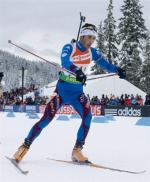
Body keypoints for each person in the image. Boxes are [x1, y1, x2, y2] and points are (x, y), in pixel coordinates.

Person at [13, 23, 126, 163]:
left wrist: (117, 70)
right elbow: (65, 62)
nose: (91, 41)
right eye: (89, 37)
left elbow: (106, 65)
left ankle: (77, 150)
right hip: (61, 92)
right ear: (82, 36)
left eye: (94, 38)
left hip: (77, 93)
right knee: (45, 120)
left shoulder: (93, 52)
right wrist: (77, 71)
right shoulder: (69, 47)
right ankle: (24, 146)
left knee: (88, 117)